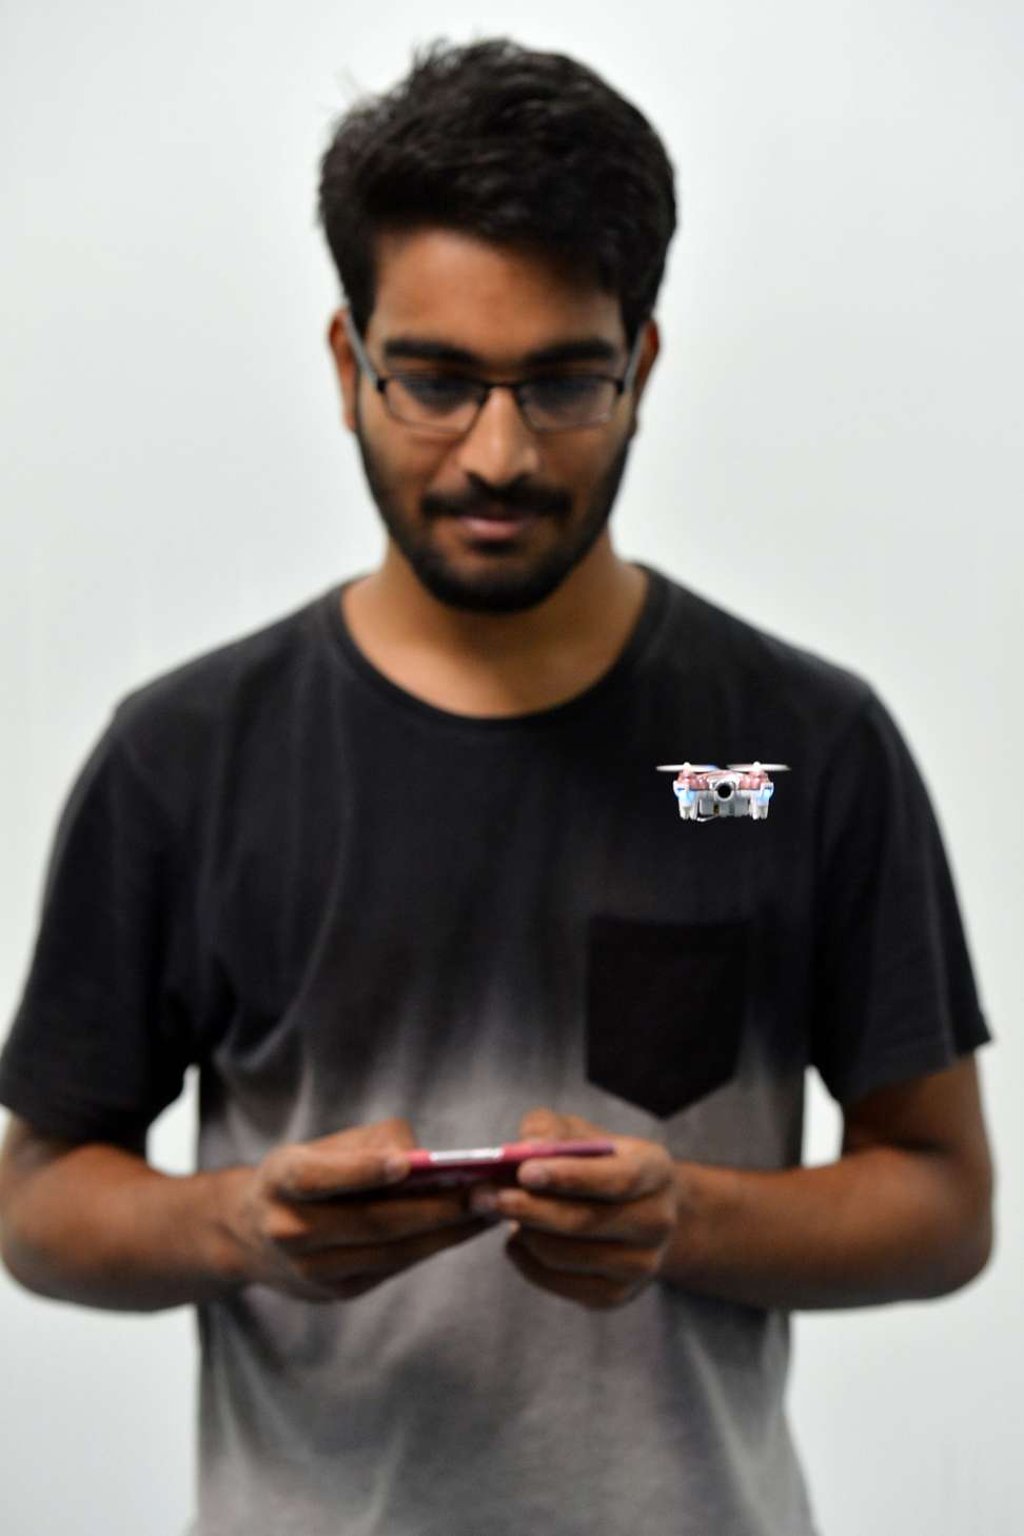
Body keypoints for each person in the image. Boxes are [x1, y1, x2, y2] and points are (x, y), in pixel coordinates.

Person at [0, 38, 994, 1536]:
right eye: (438, 381)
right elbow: (36, 1204)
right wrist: (242, 1224)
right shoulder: (183, 755)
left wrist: (687, 1216)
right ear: (348, 366)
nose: (501, 453)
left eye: (565, 380)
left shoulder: (799, 746)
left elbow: (943, 1202)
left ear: (641, 367)